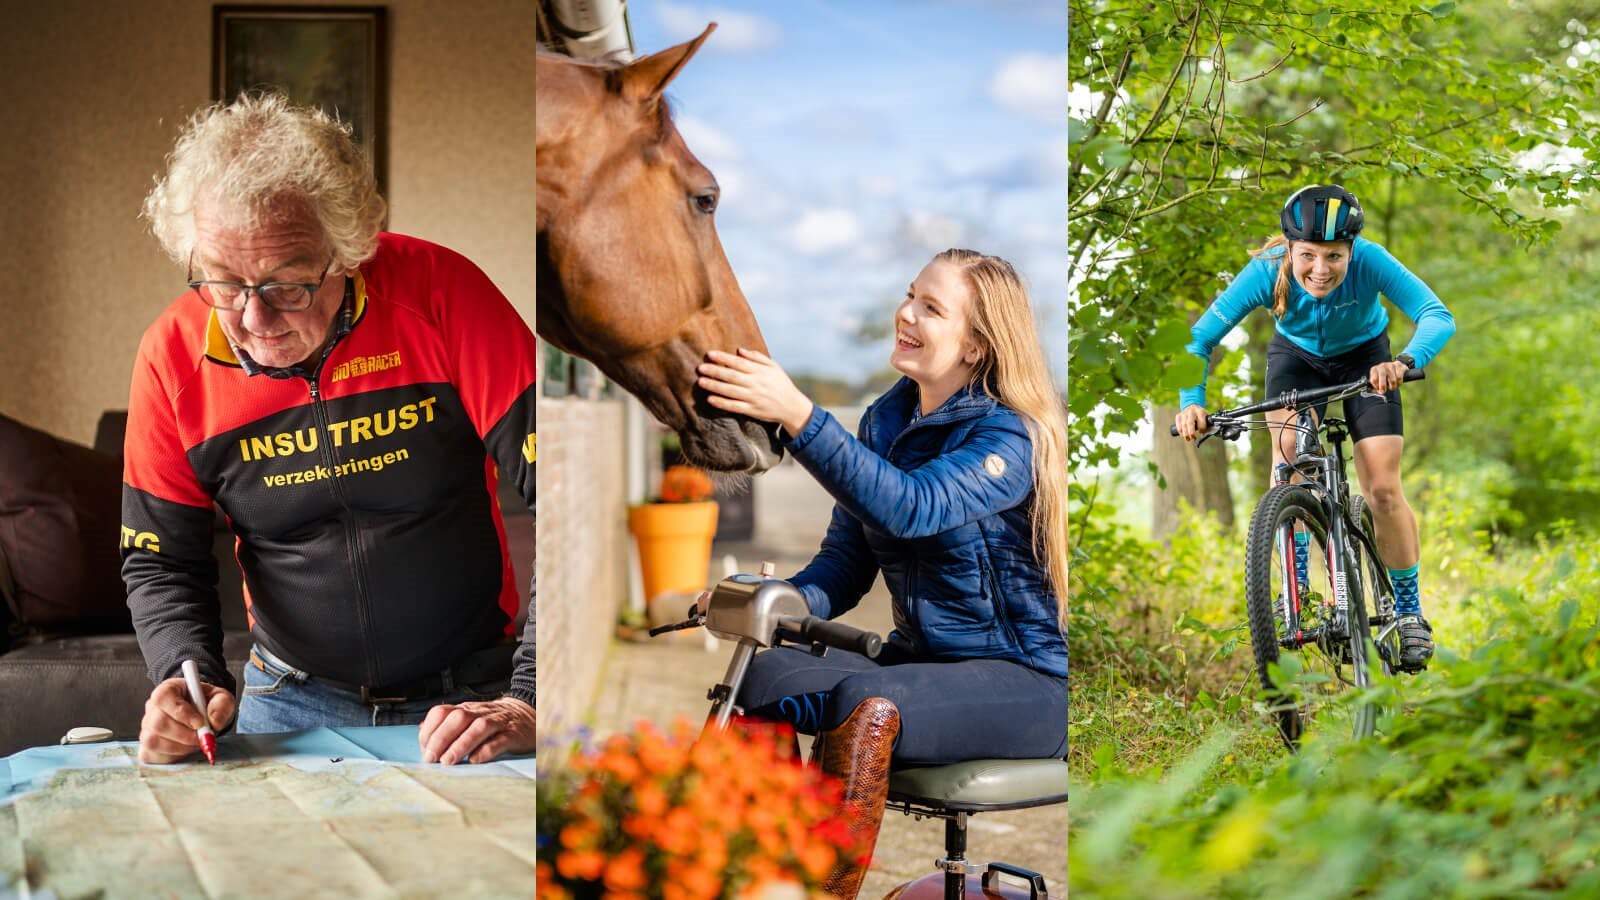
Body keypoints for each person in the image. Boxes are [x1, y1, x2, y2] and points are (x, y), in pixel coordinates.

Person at [123, 93, 536, 766]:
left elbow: (564, 496)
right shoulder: (171, 357)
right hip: (290, 695)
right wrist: (183, 672)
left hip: (472, 695)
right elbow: (159, 557)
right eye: (225, 284)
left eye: (289, 285)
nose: (255, 321)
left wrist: (531, 695)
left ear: (348, 253)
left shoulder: (442, 294)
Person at [696, 248, 1067, 898]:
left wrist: (799, 415)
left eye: (931, 307)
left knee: (868, 704)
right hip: (920, 662)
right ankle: (740, 876)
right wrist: (772, 598)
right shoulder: (886, 421)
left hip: (1028, 681)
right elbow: (844, 566)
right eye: (909, 295)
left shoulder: (1010, 436)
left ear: (976, 345)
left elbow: (911, 506)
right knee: (760, 676)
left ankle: (819, 891)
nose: (906, 313)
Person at [1173, 184, 1456, 670]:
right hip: (1296, 362)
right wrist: (1191, 403)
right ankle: (1295, 593)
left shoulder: (1372, 260)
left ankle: (1409, 614)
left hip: (1367, 362)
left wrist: (1405, 360)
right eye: (1307, 255)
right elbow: (1197, 340)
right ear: (1289, 249)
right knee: (1289, 463)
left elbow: (1437, 315)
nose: (1320, 270)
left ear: (1351, 251)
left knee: (1383, 487)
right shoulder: (1266, 271)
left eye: (1334, 257)